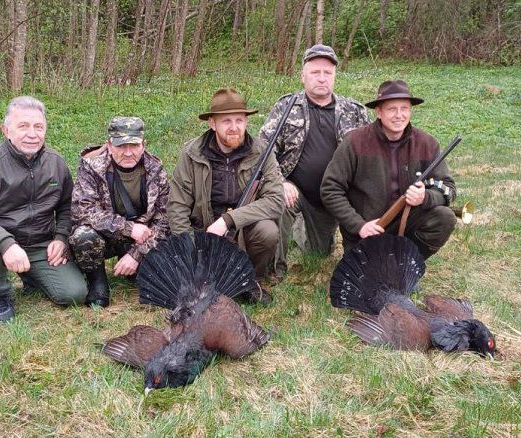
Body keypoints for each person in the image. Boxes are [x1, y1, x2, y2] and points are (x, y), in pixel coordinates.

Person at [0, 96, 88, 322]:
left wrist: (61, 237)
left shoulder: (56, 163)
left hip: (41, 244)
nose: (32, 134)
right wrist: (6, 244)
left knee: (74, 294)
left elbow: (68, 205)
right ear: (6, 130)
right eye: (23, 126)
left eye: (38, 127)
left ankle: (32, 276)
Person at [259, 44, 369, 279]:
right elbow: (263, 149)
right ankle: (273, 271)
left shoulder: (355, 111)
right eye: (315, 72)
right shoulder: (286, 107)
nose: (321, 78)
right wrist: (280, 181)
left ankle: (360, 260)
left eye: (327, 73)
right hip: (296, 191)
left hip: (337, 195)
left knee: (319, 252)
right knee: (278, 201)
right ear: (303, 76)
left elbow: (371, 156)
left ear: (334, 76)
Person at [168, 88, 284, 303]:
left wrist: (229, 220)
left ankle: (250, 280)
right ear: (212, 123)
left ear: (246, 121)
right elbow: (177, 204)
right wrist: (189, 248)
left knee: (267, 231)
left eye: (239, 120)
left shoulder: (262, 152)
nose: (234, 127)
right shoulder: (192, 153)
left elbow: (276, 201)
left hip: (243, 229)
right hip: (205, 231)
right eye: (226, 121)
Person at [321, 80, 457, 259]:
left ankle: (407, 261)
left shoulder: (427, 143)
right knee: (368, 275)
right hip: (367, 231)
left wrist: (425, 197)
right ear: (378, 112)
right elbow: (330, 189)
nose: (399, 115)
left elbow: (448, 188)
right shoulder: (354, 142)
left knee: (445, 217)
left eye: (404, 108)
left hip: (408, 226)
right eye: (392, 109)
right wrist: (359, 225)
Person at [69, 117, 170, 307]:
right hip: (106, 235)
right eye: (121, 146)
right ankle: (97, 281)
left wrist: (137, 254)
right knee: (83, 235)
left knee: (165, 277)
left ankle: (133, 265)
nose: (128, 152)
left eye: (134, 145)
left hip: (142, 238)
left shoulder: (156, 169)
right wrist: (128, 228)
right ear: (109, 145)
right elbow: (83, 209)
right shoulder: (92, 167)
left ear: (143, 144)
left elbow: (164, 220)